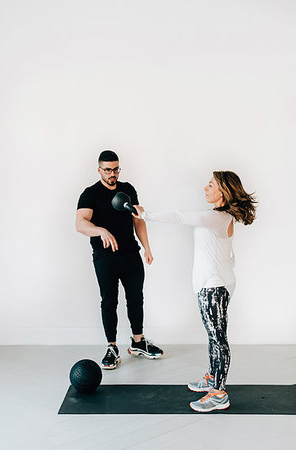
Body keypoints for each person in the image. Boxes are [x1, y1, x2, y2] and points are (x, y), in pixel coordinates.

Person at [133, 171, 257, 412]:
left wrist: (146, 214)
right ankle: (213, 378)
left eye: (211, 185)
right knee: (213, 336)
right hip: (211, 284)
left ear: (223, 191)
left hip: (215, 286)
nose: (205, 188)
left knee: (218, 338)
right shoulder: (219, 217)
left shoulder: (218, 217)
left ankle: (219, 394)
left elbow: (179, 216)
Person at [76, 150, 163, 369]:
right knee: (109, 301)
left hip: (130, 253)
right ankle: (112, 347)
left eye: (115, 169)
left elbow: (138, 220)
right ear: (99, 170)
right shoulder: (90, 194)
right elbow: (81, 223)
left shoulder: (128, 189)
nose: (112, 173)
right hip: (105, 257)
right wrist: (100, 231)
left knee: (136, 298)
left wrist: (147, 247)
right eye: (108, 170)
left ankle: (138, 342)